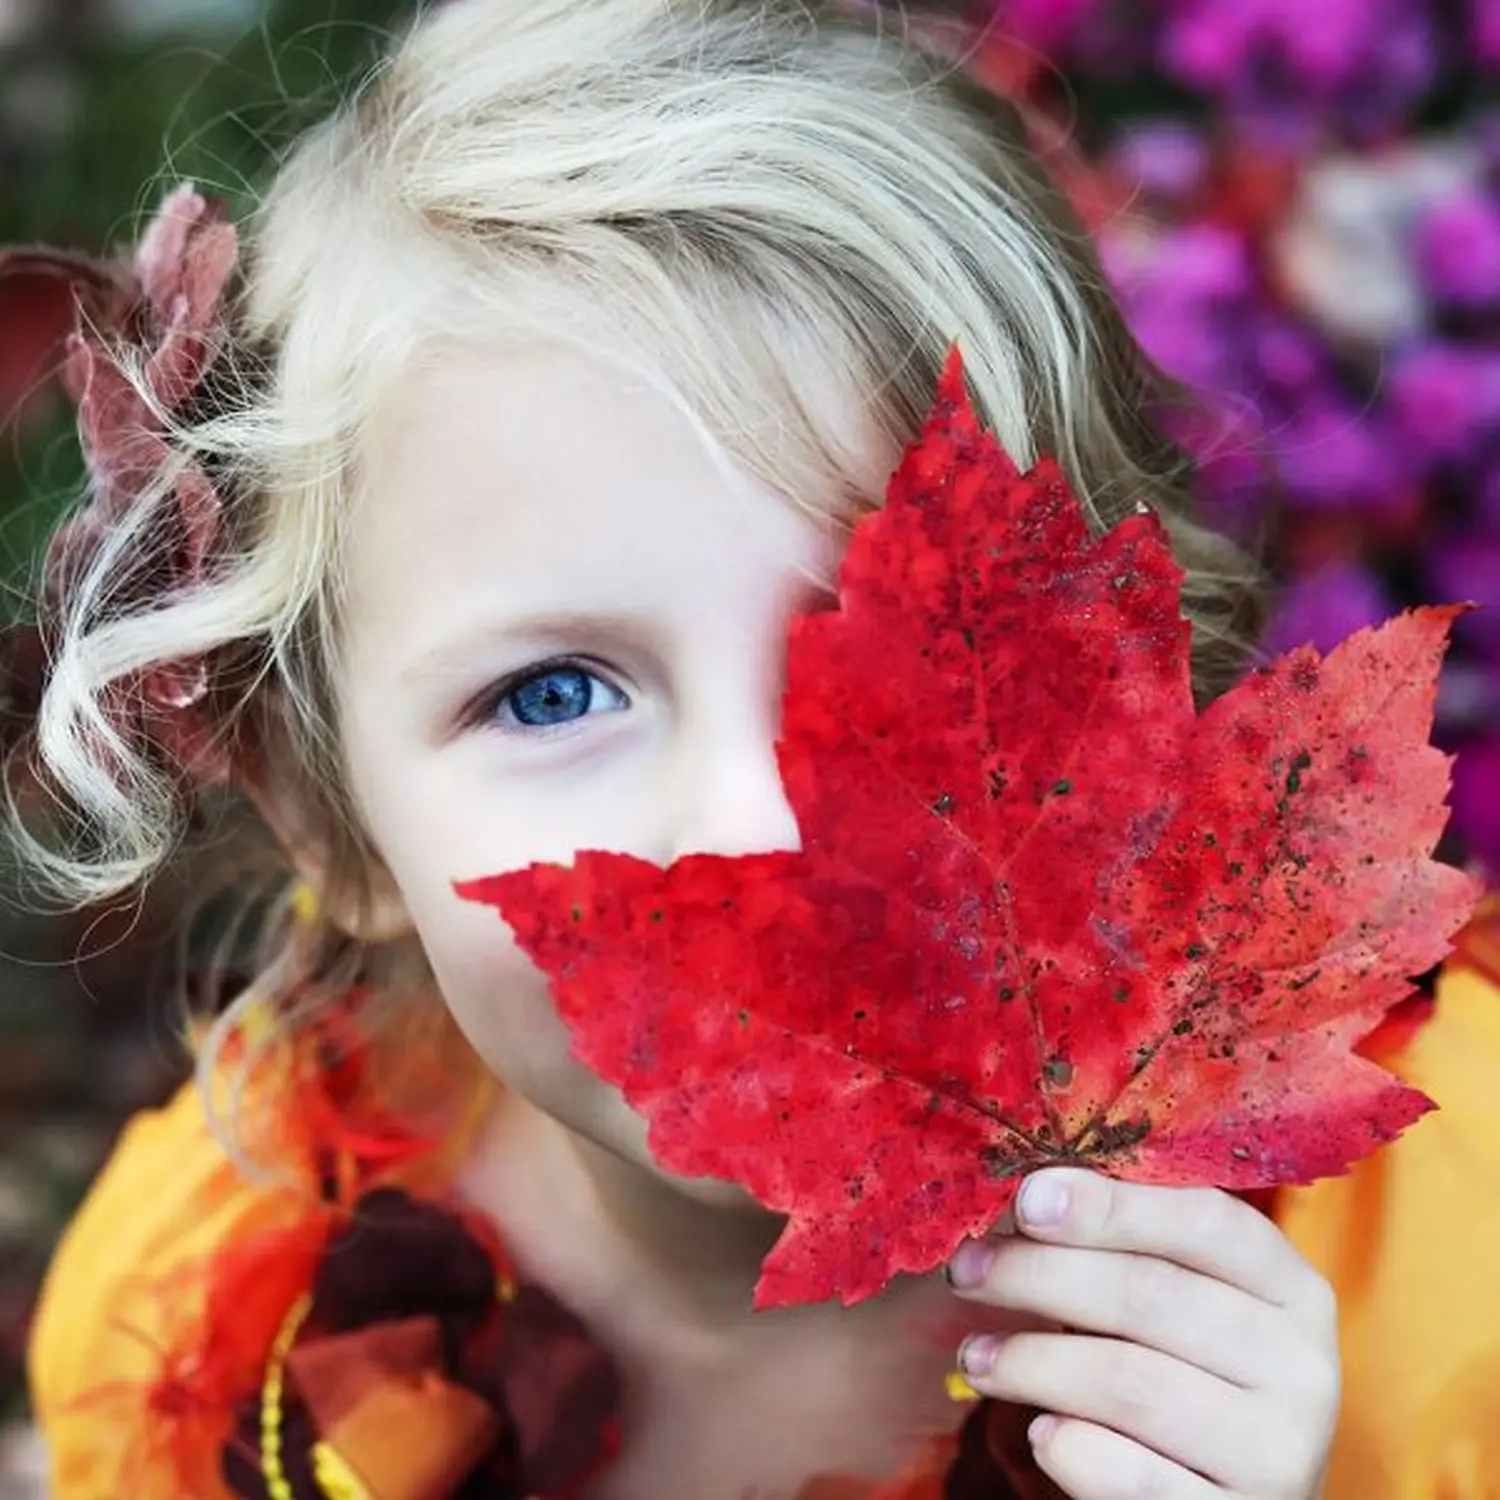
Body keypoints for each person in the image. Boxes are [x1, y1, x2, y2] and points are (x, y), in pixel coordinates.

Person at [1, 1, 1494, 1496]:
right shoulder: (208, 1327)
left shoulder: (1442, 1278)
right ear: (326, 819)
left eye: (895, 647)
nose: (758, 821)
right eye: (553, 695)